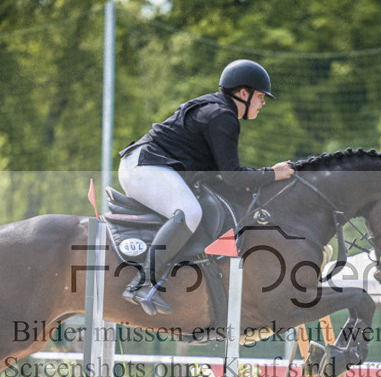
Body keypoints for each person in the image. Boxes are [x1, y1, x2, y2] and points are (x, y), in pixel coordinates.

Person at [117, 59, 295, 316]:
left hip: (148, 164)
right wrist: (272, 174)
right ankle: (143, 283)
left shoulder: (216, 109)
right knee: (190, 212)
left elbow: (221, 178)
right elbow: (233, 176)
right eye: (260, 96)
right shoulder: (223, 117)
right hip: (145, 166)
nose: (263, 102)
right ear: (243, 93)